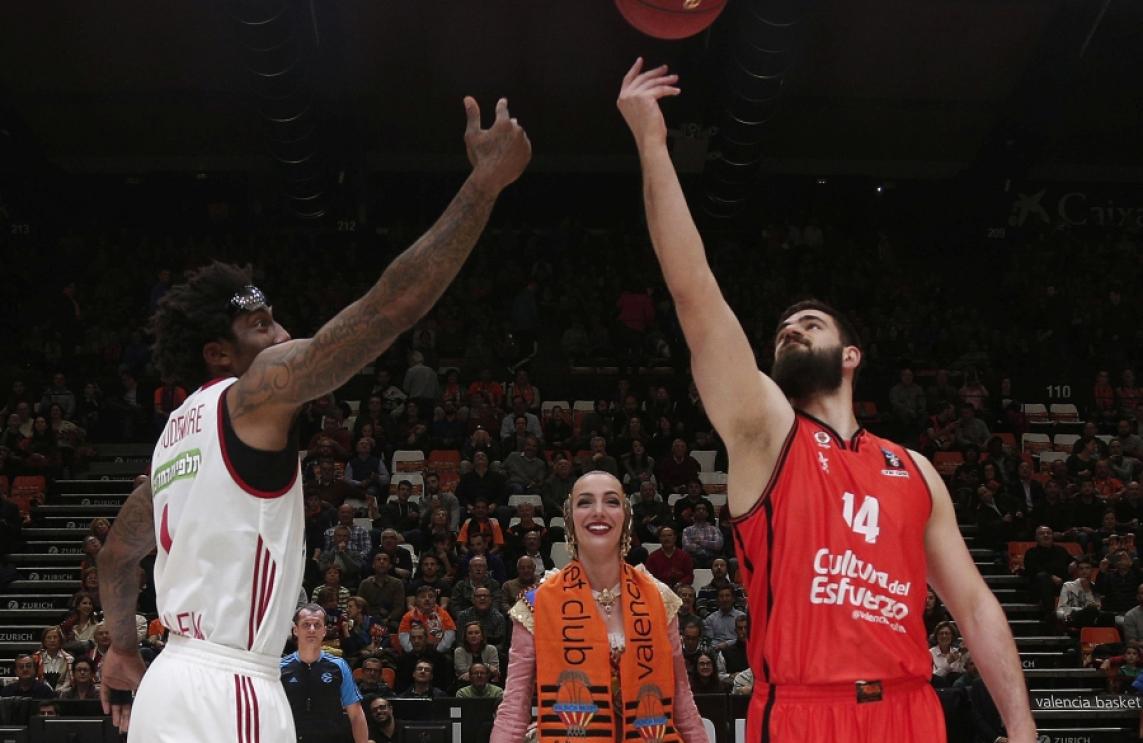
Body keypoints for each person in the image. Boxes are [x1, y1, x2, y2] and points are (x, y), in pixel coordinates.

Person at [617, 58, 1034, 742]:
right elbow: (693, 290)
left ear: (850, 355)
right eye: (783, 328)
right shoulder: (764, 431)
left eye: (810, 323)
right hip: (804, 710)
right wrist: (652, 144)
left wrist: (1021, 729)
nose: (791, 329)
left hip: (910, 708)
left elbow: (973, 605)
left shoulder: (914, 469)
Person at [95, 97, 531, 739]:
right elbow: (386, 310)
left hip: (167, 684)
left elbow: (116, 555)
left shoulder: (174, 441)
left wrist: (122, 648)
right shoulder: (254, 392)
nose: (281, 335)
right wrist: (484, 185)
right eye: (260, 326)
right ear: (219, 354)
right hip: (231, 686)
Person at [489, 471, 708, 743]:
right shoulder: (537, 603)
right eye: (585, 502)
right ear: (569, 518)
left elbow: (683, 705)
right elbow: (513, 710)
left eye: (611, 501)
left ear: (626, 516)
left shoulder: (660, 598)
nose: (599, 511)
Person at [281, 605, 369, 743]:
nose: (312, 629)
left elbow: (356, 715)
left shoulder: (339, 666)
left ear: (324, 631)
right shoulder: (280, 668)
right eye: (306, 625)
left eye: (317, 625)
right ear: (296, 630)